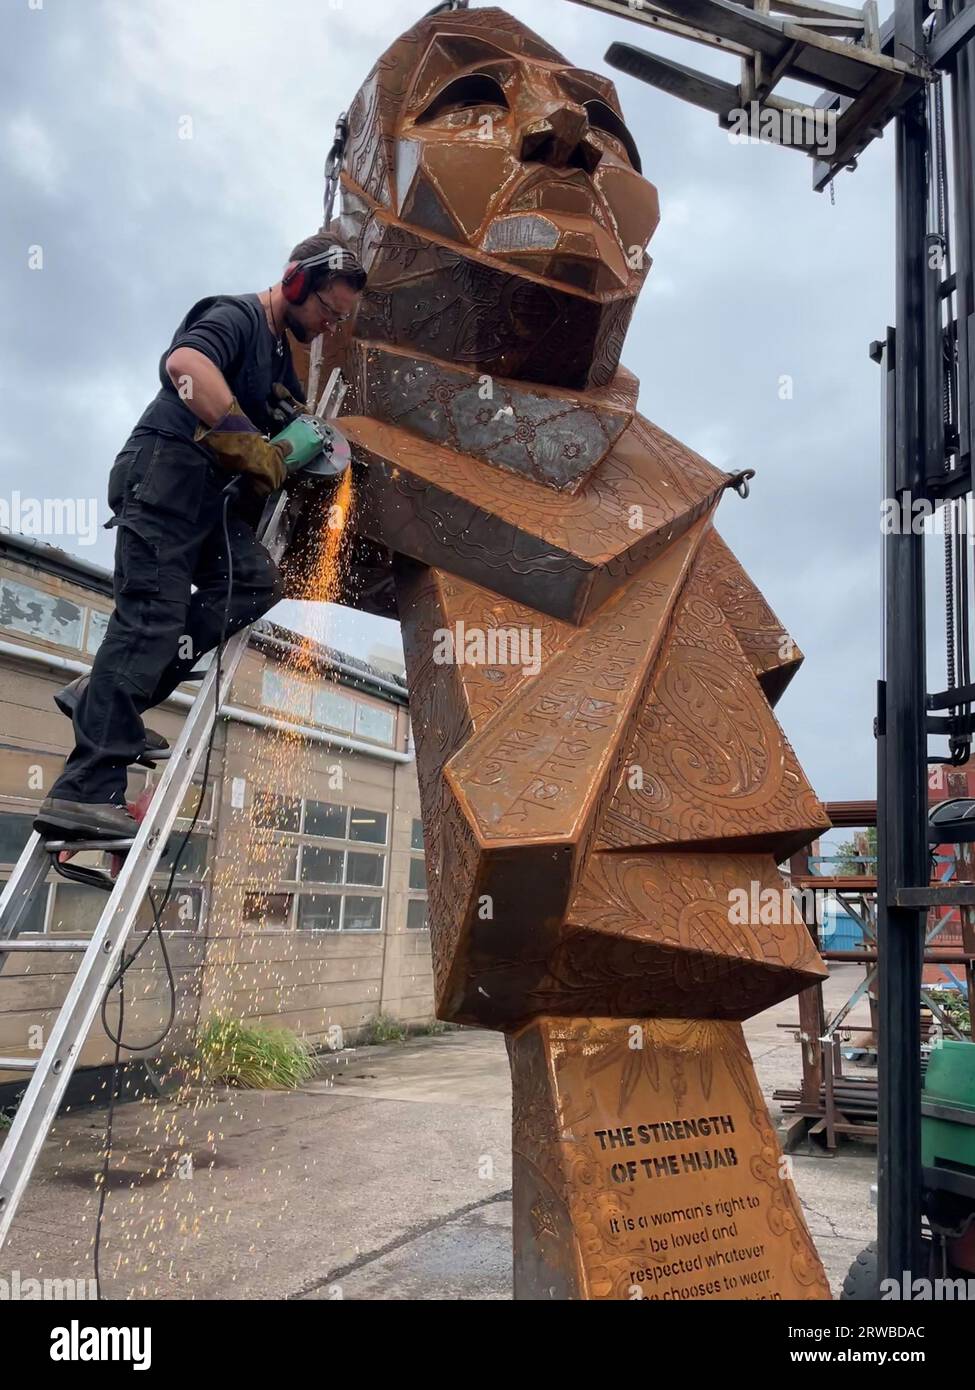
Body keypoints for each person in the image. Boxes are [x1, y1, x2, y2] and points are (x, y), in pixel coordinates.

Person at [36, 233, 367, 839]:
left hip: (204, 507)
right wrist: (251, 443)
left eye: (338, 318)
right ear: (296, 282)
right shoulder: (236, 315)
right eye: (326, 310)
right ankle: (82, 792)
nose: (327, 325)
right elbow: (184, 368)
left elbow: (278, 431)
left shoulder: (274, 357)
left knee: (253, 583)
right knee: (148, 624)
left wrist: (294, 437)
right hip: (163, 485)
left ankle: (103, 698)